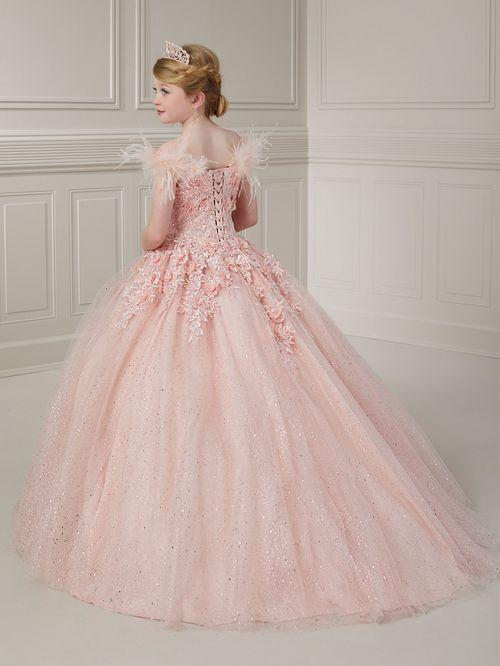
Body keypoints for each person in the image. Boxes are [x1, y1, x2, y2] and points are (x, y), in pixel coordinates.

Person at [9, 40, 500, 632]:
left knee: (169, 389)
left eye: (164, 91)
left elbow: (155, 236)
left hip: (183, 268)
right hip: (238, 268)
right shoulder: (236, 144)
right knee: (274, 379)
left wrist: (164, 232)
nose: (155, 100)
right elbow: (247, 218)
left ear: (195, 98)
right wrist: (215, 230)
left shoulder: (170, 154)